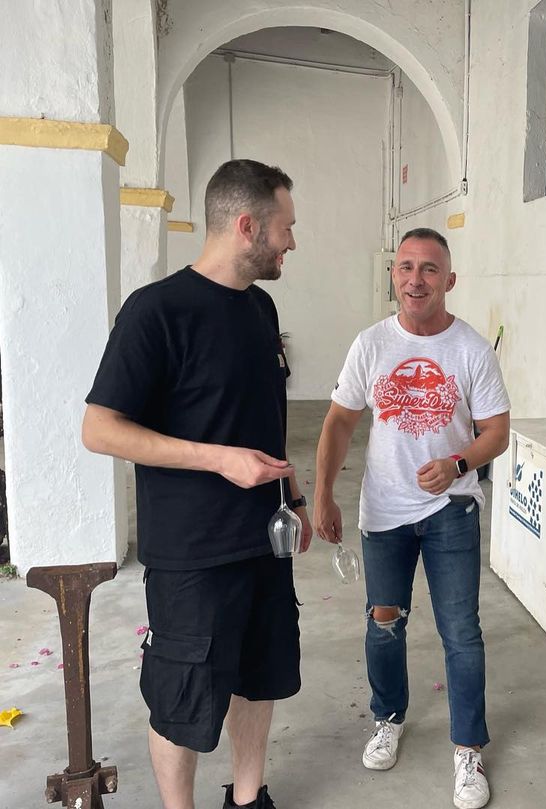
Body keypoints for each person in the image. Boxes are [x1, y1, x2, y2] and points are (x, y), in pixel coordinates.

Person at [82, 159, 310, 809]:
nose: (293, 241)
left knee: (259, 676)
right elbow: (100, 429)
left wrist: (293, 496)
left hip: (262, 540)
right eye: (286, 227)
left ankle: (247, 796)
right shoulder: (156, 312)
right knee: (182, 698)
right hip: (192, 551)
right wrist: (217, 459)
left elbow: (262, 417)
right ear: (247, 226)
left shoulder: (260, 308)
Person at [314, 227, 510, 809]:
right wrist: (323, 493)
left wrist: (457, 464)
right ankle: (388, 718)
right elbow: (339, 421)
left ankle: (468, 748)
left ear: (449, 280)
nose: (415, 279)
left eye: (429, 269)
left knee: (461, 632)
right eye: (405, 267)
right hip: (385, 511)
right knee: (383, 622)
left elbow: (496, 432)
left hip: (452, 509)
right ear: (393, 276)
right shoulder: (371, 344)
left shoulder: (471, 349)